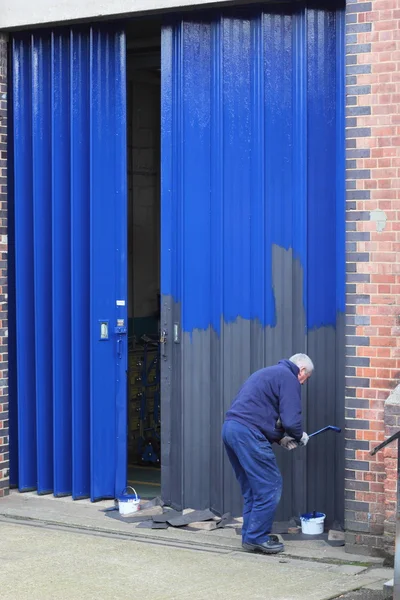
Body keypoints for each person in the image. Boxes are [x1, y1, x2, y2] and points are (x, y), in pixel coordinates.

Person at [222, 353, 314, 554]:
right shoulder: (289, 377)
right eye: (305, 380)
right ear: (302, 371)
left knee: (252, 488)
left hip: (231, 429)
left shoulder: (266, 373)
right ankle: (256, 537)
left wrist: (279, 439)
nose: (302, 384)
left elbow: (258, 413)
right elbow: (291, 420)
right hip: (248, 434)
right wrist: (299, 435)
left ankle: (250, 535)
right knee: (269, 486)